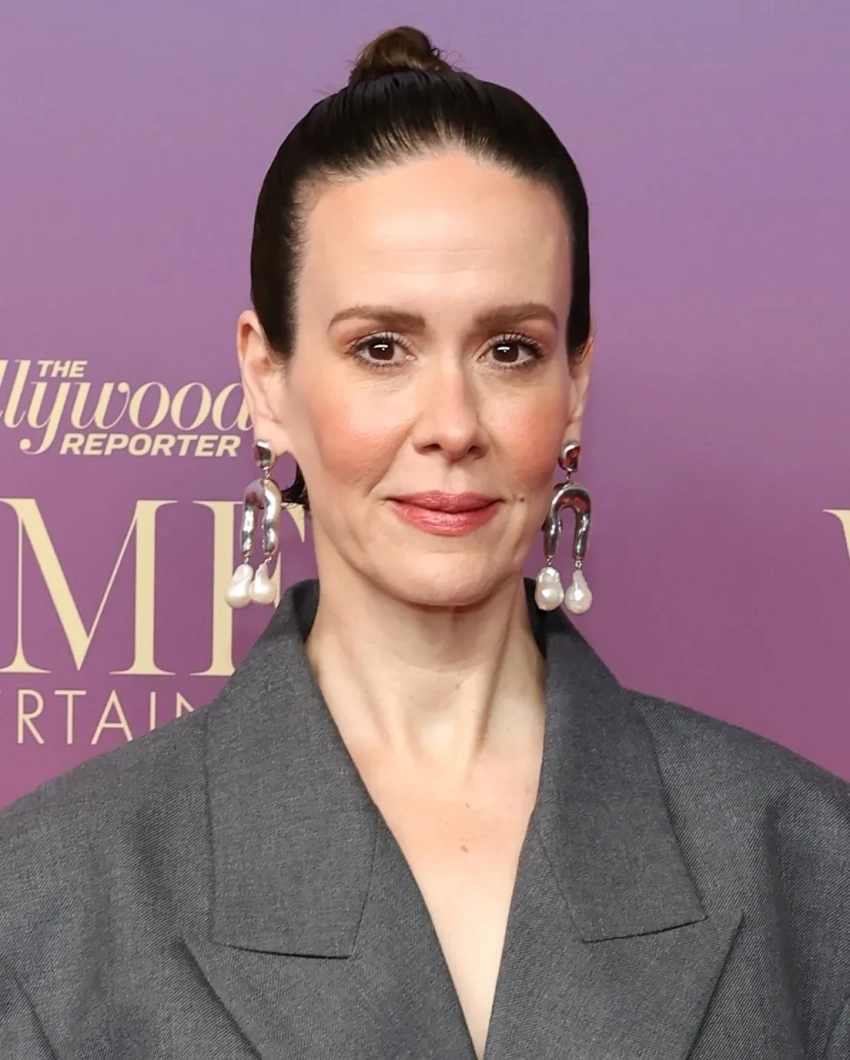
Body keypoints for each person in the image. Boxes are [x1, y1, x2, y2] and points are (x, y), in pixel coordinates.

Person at [1, 24, 849, 1060]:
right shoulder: (47, 909)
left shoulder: (807, 865)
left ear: (575, 383)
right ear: (267, 379)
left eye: (509, 349)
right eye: (381, 347)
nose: (452, 424)